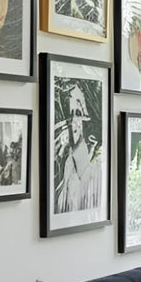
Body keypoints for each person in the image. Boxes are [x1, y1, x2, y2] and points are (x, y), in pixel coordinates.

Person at [56, 83, 101, 213]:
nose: (74, 123)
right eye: (71, 115)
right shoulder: (69, 162)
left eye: (79, 113)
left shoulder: (98, 164)